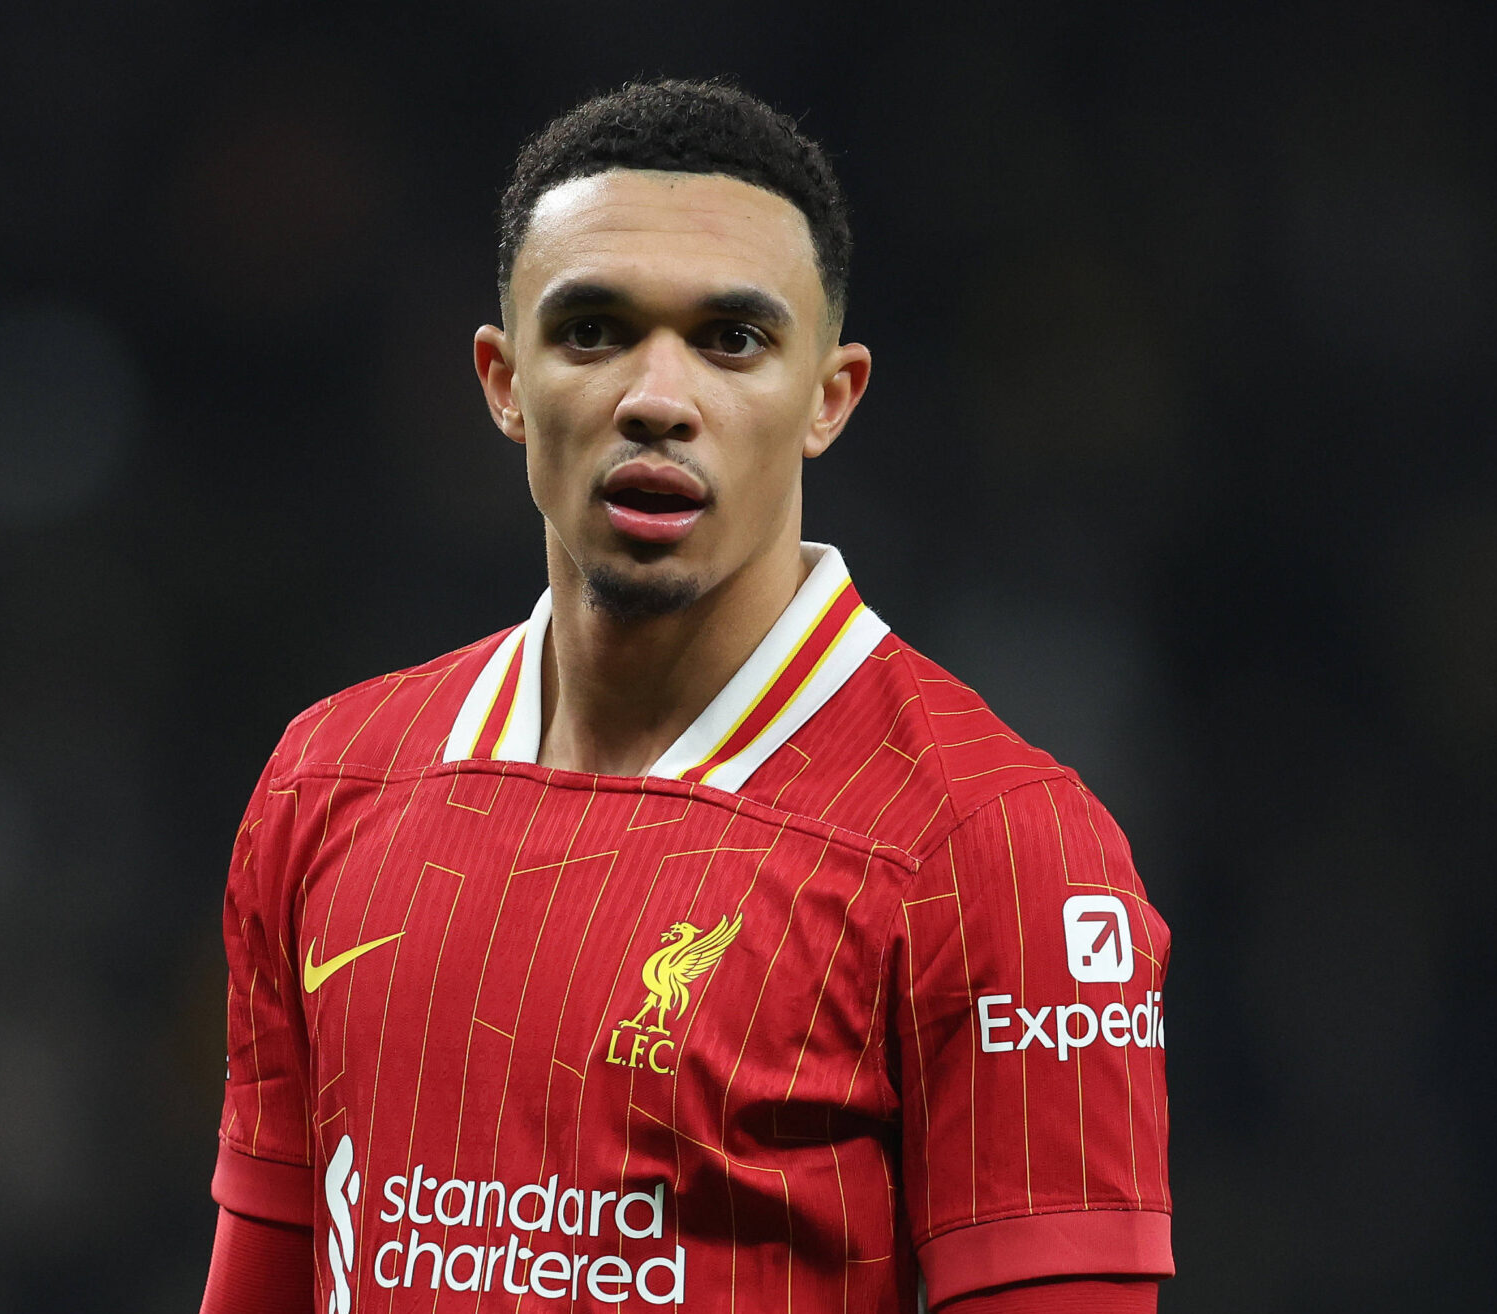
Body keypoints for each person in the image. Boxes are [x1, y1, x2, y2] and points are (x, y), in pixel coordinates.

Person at [196, 79, 1172, 1314]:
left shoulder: (999, 849)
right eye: (593, 331)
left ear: (831, 396)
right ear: (503, 380)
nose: (657, 398)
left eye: (732, 340)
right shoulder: (328, 784)